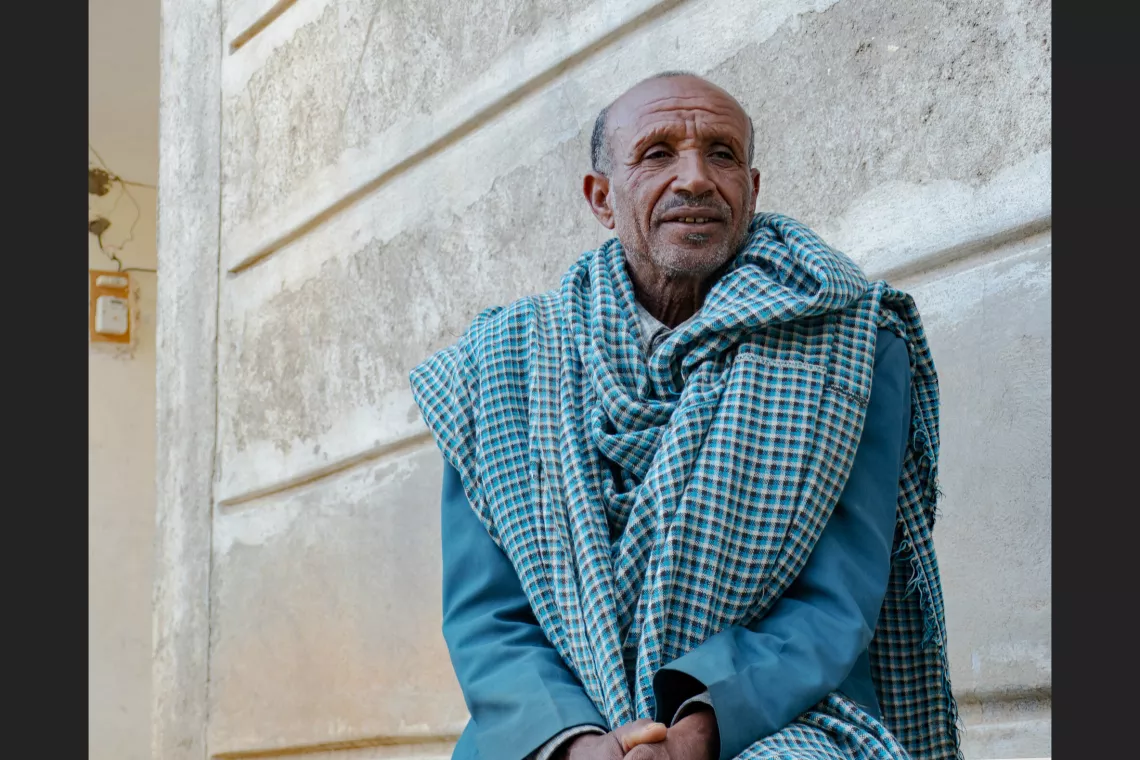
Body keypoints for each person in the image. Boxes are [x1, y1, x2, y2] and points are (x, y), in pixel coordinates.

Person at [410, 72, 958, 760]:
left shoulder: (848, 341)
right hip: (552, 725)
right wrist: (581, 745)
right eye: (658, 153)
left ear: (752, 191)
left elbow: (838, 597)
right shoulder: (501, 364)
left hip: (765, 714)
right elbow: (489, 616)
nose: (696, 178)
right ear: (602, 198)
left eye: (722, 154)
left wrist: (696, 728)